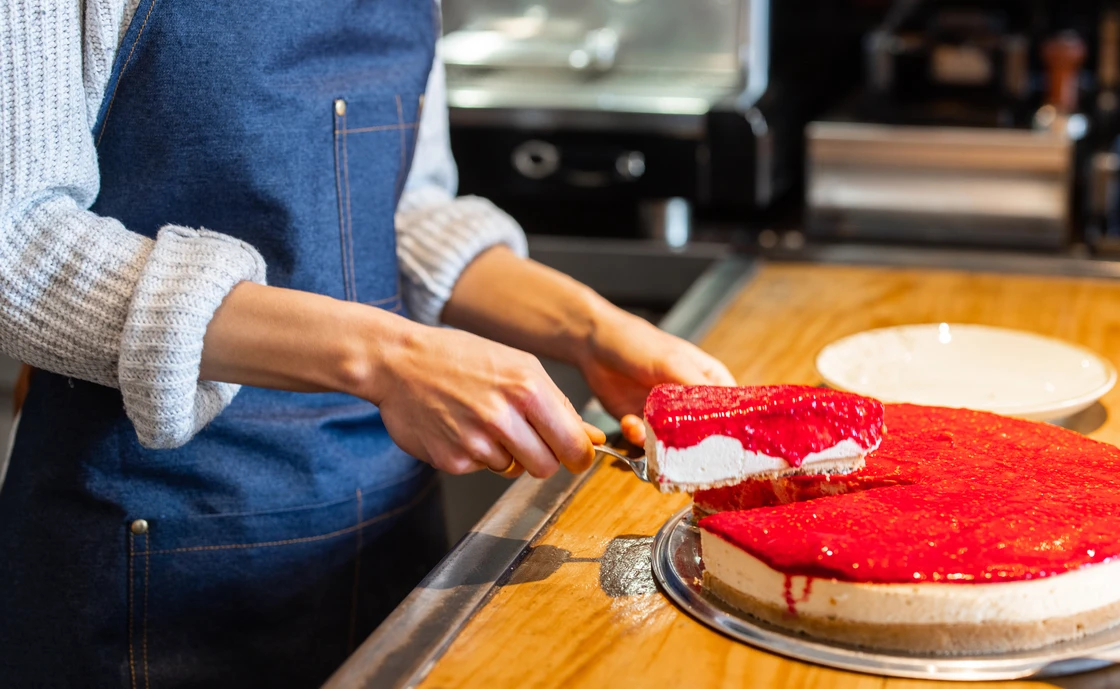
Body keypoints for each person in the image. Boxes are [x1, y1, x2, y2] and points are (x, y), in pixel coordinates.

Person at [0, 1, 734, 687]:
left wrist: (594, 331)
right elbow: (16, 242)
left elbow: (401, 210)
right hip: (150, 554)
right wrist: (386, 360)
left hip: (386, 527)